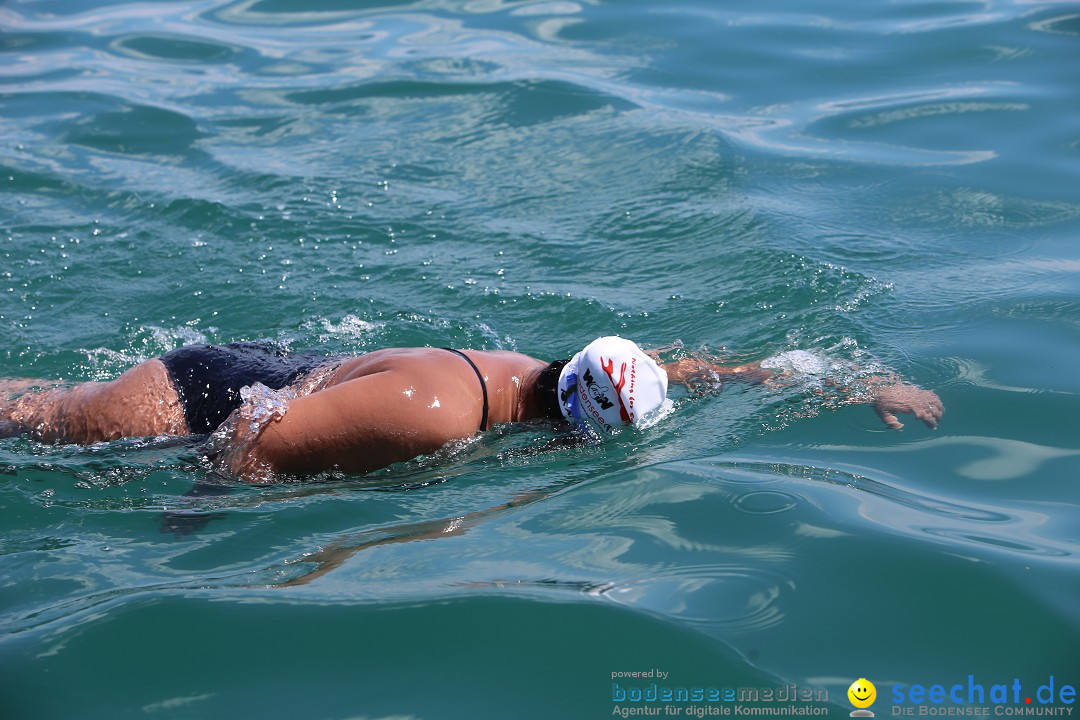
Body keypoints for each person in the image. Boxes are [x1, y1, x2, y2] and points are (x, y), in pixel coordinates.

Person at [0, 336, 943, 482]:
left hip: (289, 371)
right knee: (33, 419)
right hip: (191, 403)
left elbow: (692, 365)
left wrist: (851, 380)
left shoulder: (542, 372)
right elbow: (251, 444)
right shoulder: (440, 418)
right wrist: (200, 526)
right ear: (572, 427)